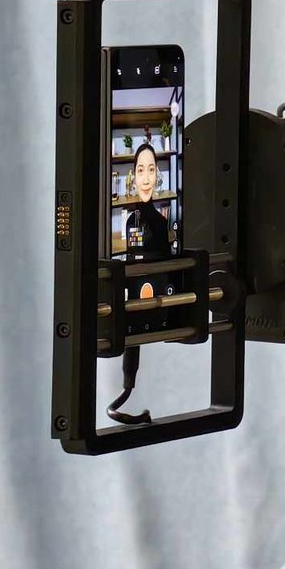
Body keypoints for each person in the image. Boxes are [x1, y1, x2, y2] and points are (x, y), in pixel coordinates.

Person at [113, 142, 171, 425]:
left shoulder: (161, 223)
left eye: (150, 169)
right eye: (140, 170)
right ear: (133, 176)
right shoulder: (132, 222)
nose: (145, 177)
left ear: (157, 174)